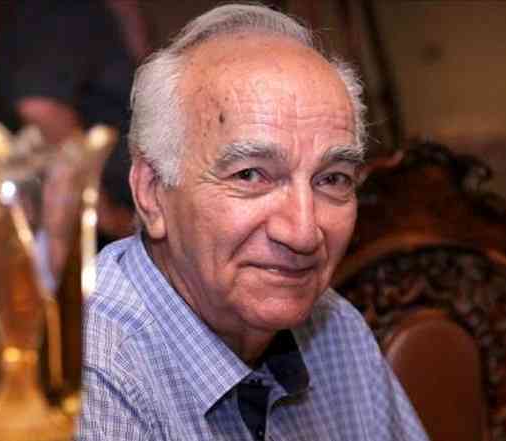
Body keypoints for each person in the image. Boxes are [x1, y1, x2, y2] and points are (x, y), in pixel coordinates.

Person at [79, 4, 428, 440]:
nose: (303, 233)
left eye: (332, 179)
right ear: (152, 192)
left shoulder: (336, 331)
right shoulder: (92, 369)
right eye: (250, 175)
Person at [0, 0, 147, 247]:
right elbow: (41, 107)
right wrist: (107, 217)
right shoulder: (61, 7)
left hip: (87, 227)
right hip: (79, 235)